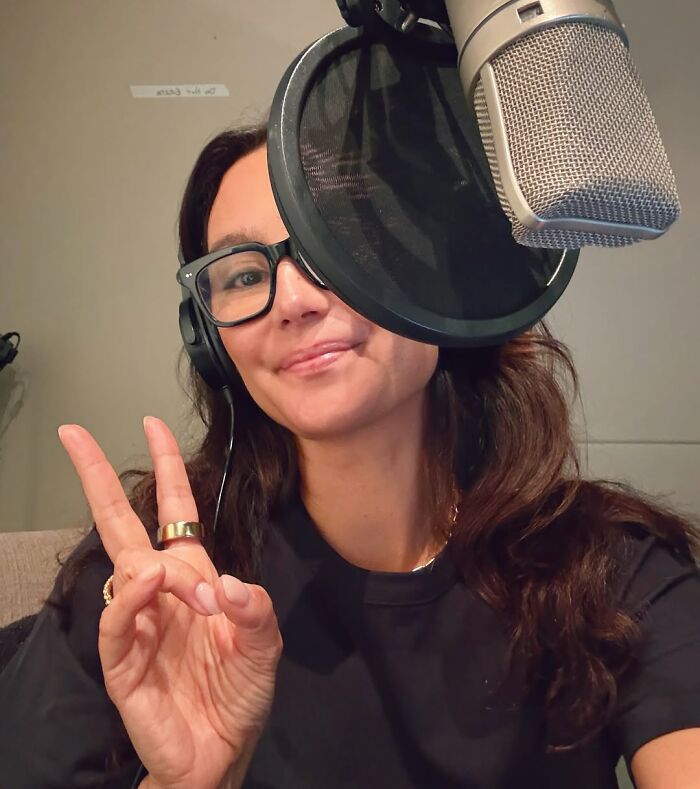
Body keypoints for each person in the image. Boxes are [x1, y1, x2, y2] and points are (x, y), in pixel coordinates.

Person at [0, 122, 699, 789]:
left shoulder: (609, 567)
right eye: (243, 275)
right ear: (211, 340)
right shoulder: (151, 580)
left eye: (337, 244)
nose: (294, 300)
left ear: (437, 282)